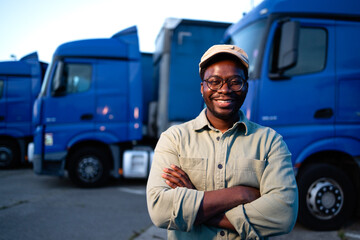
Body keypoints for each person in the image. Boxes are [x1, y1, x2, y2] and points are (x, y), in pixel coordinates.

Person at [146, 44, 298, 239]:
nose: (224, 89)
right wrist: (241, 194)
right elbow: (160, 211)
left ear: (246, 87)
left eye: (235, 81)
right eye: (214, 81)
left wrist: (195, 205)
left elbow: (283, 215)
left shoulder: (270, 142)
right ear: (202, 88)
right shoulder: (174, 139)